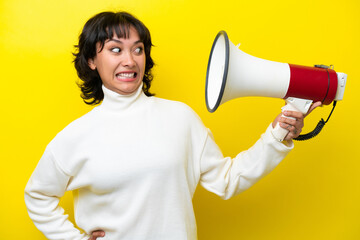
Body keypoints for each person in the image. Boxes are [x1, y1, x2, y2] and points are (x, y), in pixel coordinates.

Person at [24, 11, 321, 240]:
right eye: (115, 50)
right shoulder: (76, 136)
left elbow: (227, 181)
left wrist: (278, 133)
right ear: (91, 60)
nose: (129, 60)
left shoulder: (181, 118)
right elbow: (37, 196)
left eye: (137, 49)